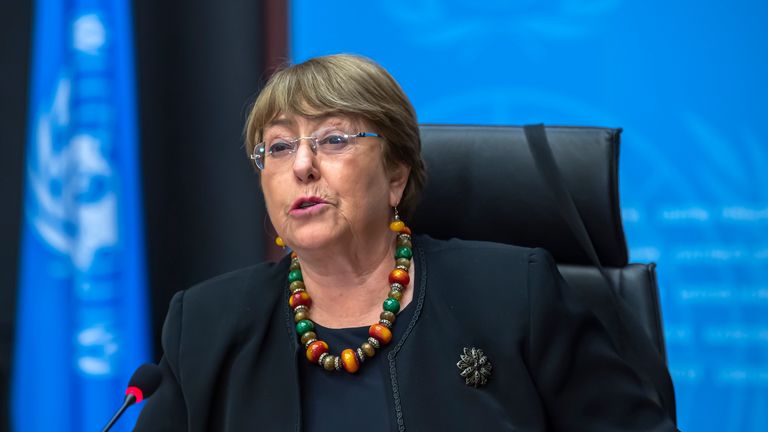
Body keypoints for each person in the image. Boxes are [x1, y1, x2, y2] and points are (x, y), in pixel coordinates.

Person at [135, 54, 677, 431]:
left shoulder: (513, 294)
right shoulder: (207, 323)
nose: (301, 165)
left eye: (334, 139)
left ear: (396, 176)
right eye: (277, 148)